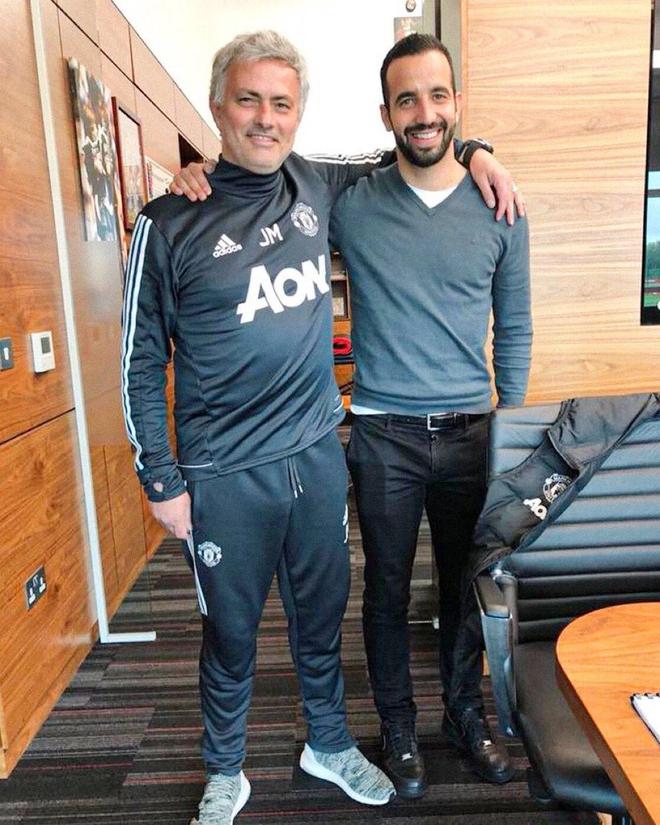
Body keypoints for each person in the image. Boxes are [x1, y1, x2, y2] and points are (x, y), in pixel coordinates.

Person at [134, 31, 519, 825]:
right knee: (230, 631)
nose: (265, 118)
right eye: (248, 100)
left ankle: (331, 742)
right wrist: (160, 476)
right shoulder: (170, 220)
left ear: (299, 112)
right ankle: (225, 767)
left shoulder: (317, 185)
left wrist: (477, 149)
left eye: (281, 103)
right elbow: (139, 362)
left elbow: (418, 144)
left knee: (322, 618)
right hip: (223, 471)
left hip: (316, 455)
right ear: (217, 107)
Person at [330, 34, 532, 797]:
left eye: (437, 95)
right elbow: (278, 180)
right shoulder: (353, 207)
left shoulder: (500, 207)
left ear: (457, 102)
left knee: (465, 588)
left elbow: (515, 325)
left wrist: (512, 429)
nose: (424, 113)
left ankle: (463, 715)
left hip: (473, 434)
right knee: (385, 589)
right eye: (407, 99)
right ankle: (399, 726)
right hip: (383, 434)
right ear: (386, 113)